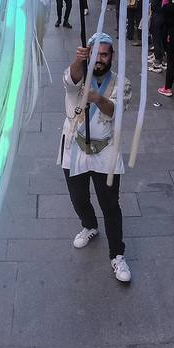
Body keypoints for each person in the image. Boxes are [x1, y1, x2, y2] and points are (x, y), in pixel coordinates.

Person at [58, 34, 130, 283]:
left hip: (105, 152)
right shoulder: (78, 76)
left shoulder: (121, 83)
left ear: (111, 56)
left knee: (110, 205)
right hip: (74, 150)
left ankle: (117, 255)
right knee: (78, 198)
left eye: (104, 54)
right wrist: (79, 61)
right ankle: (89, 225)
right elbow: (70, 80)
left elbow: (117, 112)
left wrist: (98, 98)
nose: (99, 60)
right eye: (95, 54)